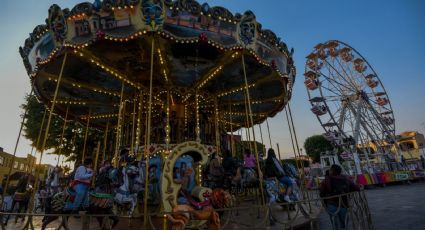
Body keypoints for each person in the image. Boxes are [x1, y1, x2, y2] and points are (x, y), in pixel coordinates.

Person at [320, 164, 360, 230]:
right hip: (343, 203)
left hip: (331, 203)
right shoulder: (345, 178)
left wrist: (325, 203)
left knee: (335, 222)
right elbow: (356, 188)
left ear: (332, 171)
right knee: (344, 222)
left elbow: (322, 193)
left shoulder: (326, 180)